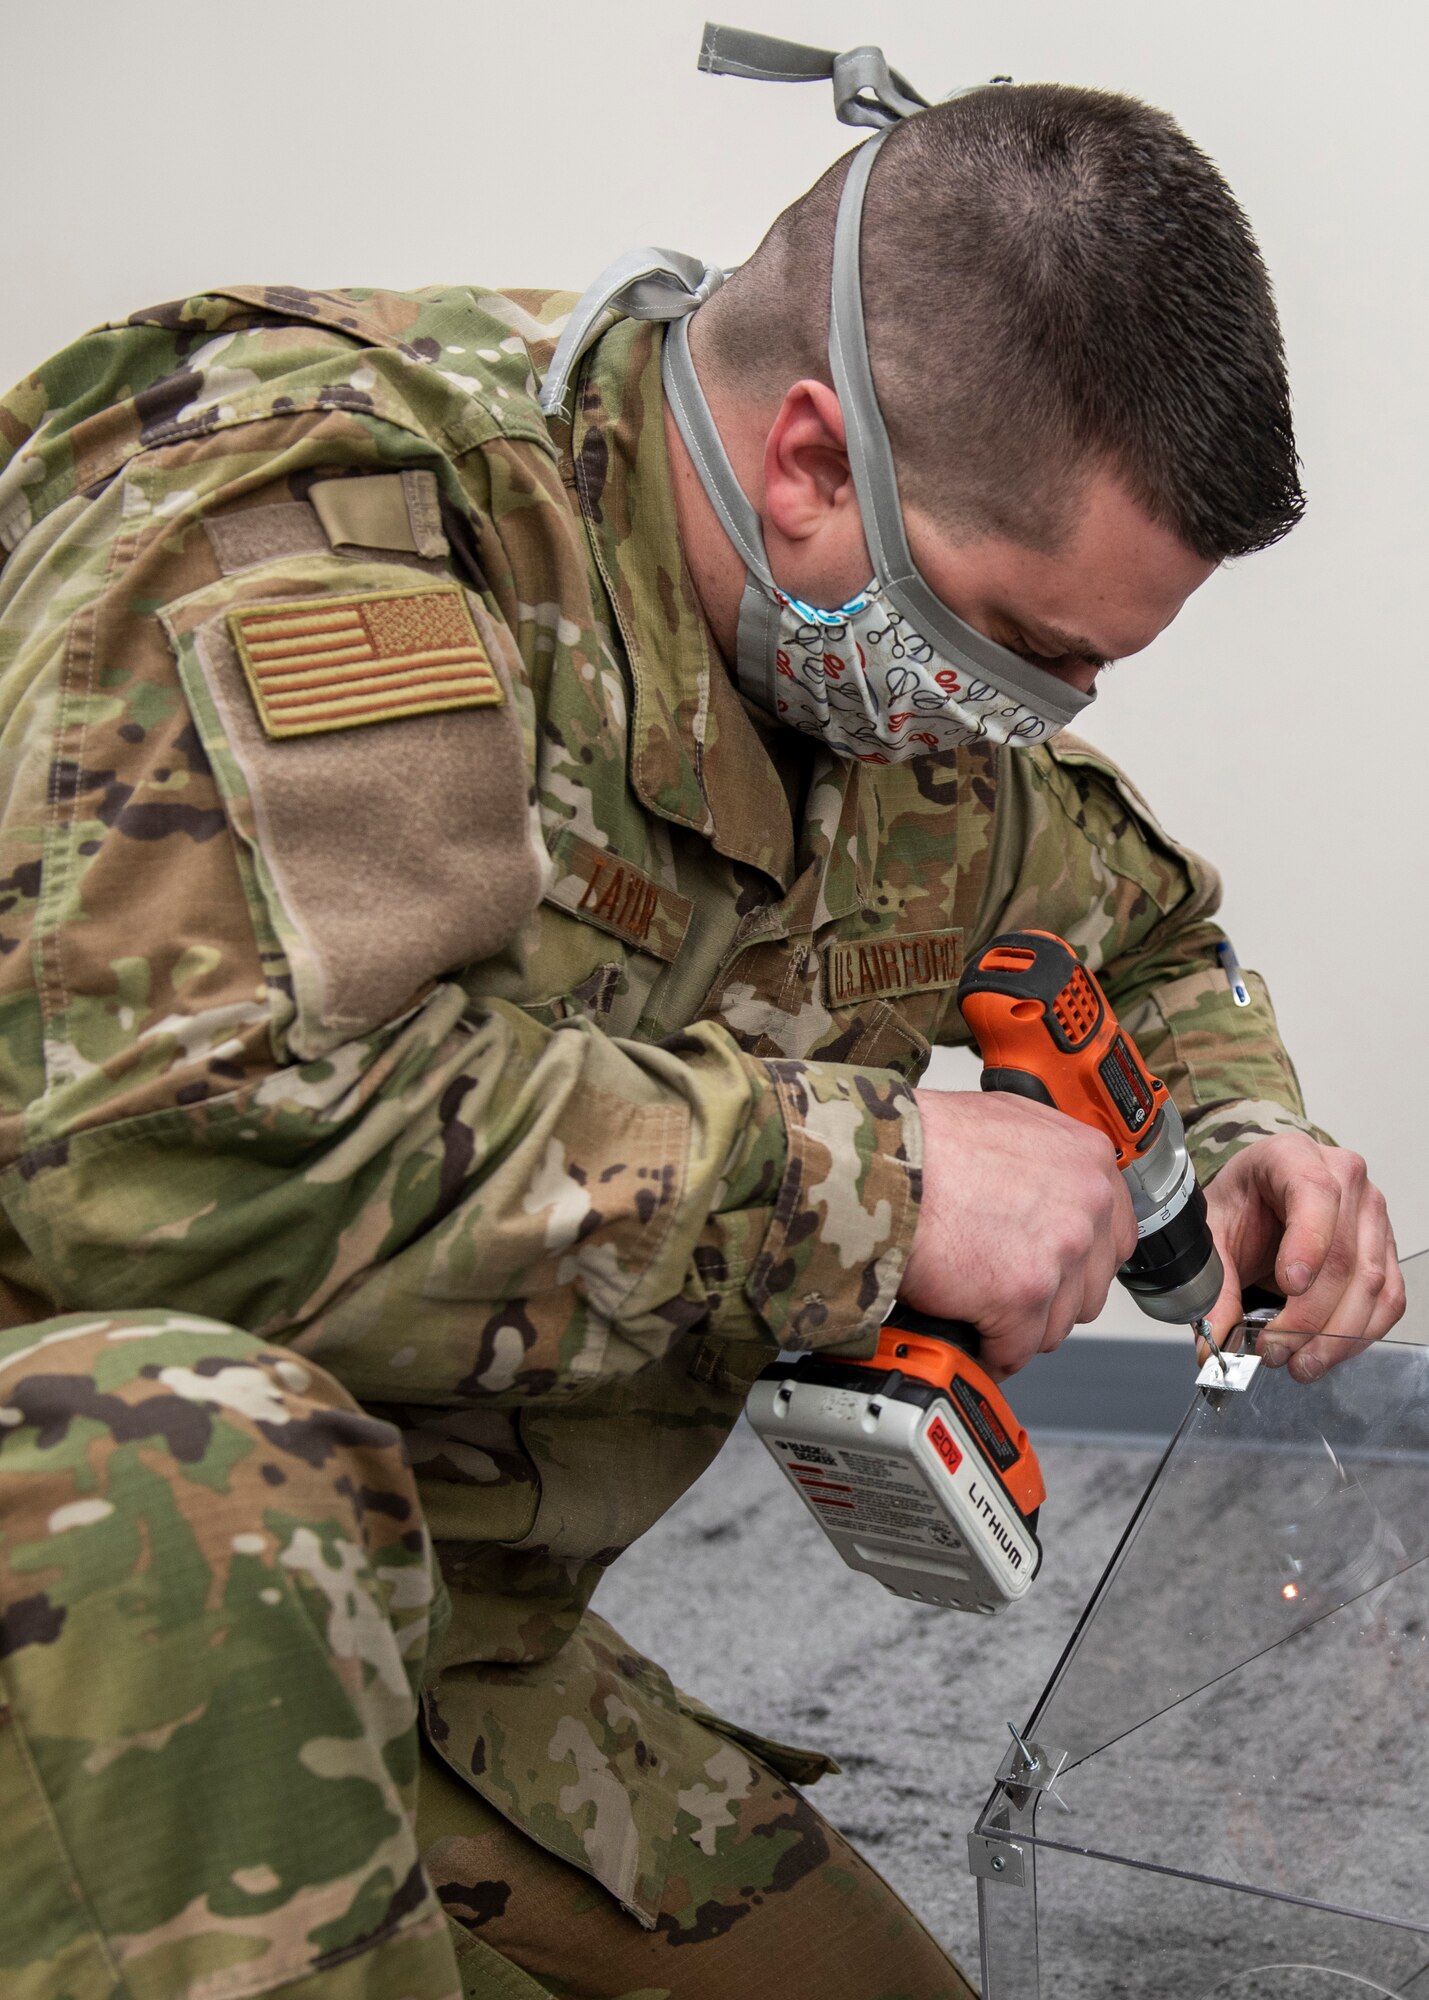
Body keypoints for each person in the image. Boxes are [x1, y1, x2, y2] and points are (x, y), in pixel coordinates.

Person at [0, 32, 1403, 2000]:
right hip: (119, 1555)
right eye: (1027, 646)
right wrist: (877, 1183)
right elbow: (184, 1167)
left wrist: (1246, 1141)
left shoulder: (870, 668)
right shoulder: (337, 540)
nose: (1045, 716)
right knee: (192, 1445)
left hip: (452, 1623)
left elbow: (1141, 938)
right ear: (815, 460)